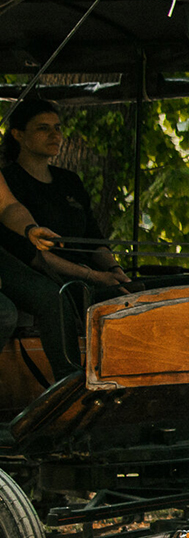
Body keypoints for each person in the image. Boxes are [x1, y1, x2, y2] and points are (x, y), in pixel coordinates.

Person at [0, 97, 118, 374]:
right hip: (52, 272)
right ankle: (70, 386)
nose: (55, 135)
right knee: (13, 311)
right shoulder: (14, 174)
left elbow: (8, 206)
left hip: (70, 273)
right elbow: (35, 258)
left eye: (58, 128)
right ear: (18, 135)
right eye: (44, 128)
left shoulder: (68, 180)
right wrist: (92, 276)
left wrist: (30, 229)